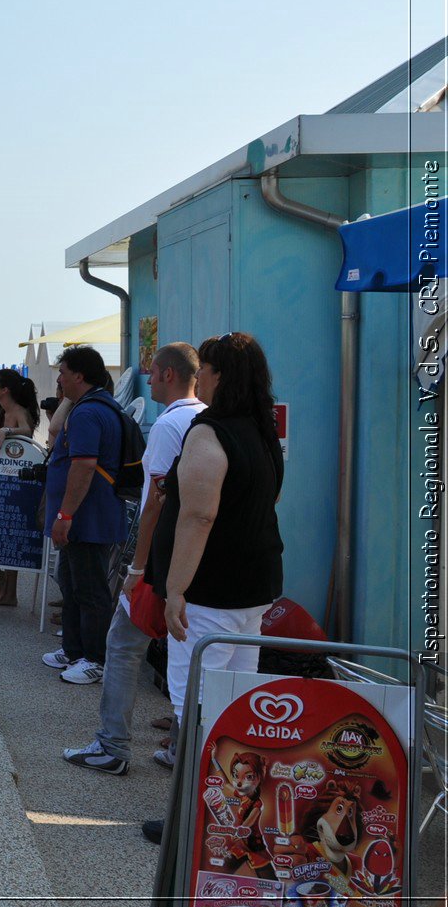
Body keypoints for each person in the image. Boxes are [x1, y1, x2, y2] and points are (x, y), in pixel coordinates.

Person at [140, 333, 284, 841]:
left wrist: (175, 589)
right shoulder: (260, 431)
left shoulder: (212, 432)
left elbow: (199, 516)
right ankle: (231, 819)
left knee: (197, 710)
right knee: (235, 709)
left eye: (206, 370)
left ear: (220, 376)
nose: (198, 376)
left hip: (212, 593)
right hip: (253, 588)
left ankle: (192, 824)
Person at [61, 343, 204, 774]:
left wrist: (137, 568)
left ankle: (113, 747)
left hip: (160, 560)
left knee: (123, 645)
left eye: (154, 372)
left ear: (169, 375)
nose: (149, 377)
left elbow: (155, 500)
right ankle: (182, 749)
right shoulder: (205, 419)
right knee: (188, 658)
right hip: (193, 559)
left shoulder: (168, 424)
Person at [40, 346, 125, 686]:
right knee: (73, 584)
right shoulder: (86, 407)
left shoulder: (89, 413)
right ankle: (74, 650)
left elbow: (85, 466)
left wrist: (65, 514)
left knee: (90, 590)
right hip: (81, 517)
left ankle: (95, 659)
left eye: (62, 372)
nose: (58, 379)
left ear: (78, 375)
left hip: (87, 517)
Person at [0, 368, 43, 607]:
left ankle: (7, 592)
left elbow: (26, 431)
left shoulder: (18, 412)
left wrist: (6, 431)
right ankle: (1, 589)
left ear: (5, 390)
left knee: (11, 538)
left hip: (17, 480)